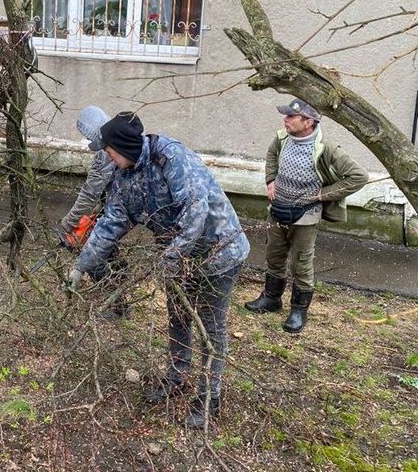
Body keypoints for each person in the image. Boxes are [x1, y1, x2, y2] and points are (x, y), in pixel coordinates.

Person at [67, 111, 250, 429]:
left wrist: (172, 257)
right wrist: (82, 265)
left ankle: (209, 398)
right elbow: (111, 223)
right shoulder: (124, 177)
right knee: (178, 315)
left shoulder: (170, 156)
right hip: (177, 257)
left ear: (122, 146)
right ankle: (177, 376)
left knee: (210, 328)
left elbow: (196, 208)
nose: (106, 157)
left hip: (217, 253)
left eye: (108, 151)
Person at [244, 99, 368, 334]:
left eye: (291, 117)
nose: (286, 119)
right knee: (274, 255)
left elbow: (358, 176)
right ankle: (271, 299)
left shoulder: (326, 149)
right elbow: (271, 155)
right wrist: (270, 180)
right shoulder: (281, 139)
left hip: (306, 215)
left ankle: (299, 310)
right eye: (286, 115)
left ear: (308, 122)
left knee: (301, 263)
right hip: (278, 209)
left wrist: (324, 194)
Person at [59, 106, 127, 319]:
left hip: (123, 208)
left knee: (93, 251)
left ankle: (118, 306)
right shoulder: (119, 138)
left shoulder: (106, 153)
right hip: (121, 205)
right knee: (110, 248)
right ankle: (122, 280)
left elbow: (91, 192)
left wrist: (70, 221)